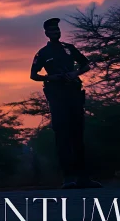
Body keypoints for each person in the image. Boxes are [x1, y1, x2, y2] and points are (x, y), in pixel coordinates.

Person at [30, 17, 102, 189]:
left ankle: (84, 178)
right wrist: (51, 77)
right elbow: (33, 75)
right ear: (46, 33)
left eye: (57, 30)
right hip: (57, 96)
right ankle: (68, 178)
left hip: (74, 94)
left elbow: (86, 65)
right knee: (62, 136)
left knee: (78, 135)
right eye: (52, 30)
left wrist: (75, 73)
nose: (56, 32)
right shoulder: (42, 53)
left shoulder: (69, 48)